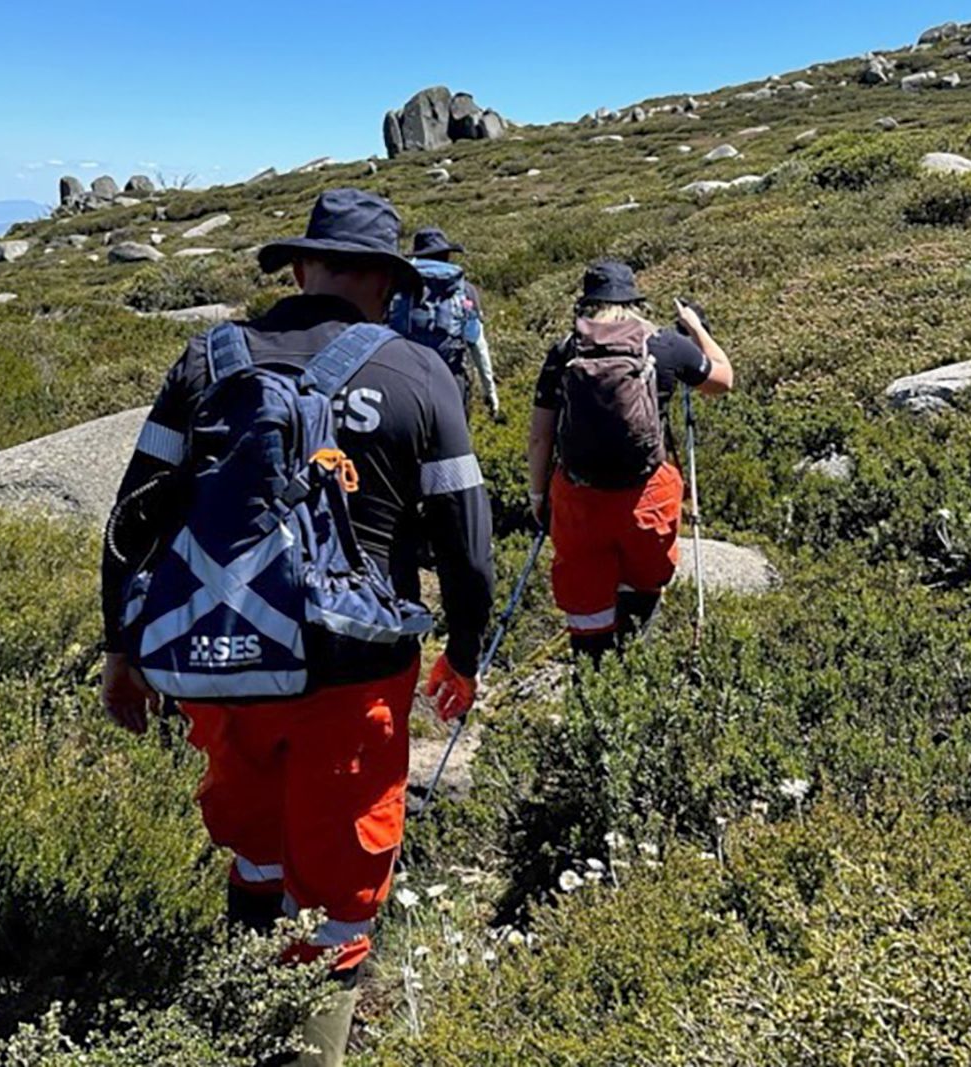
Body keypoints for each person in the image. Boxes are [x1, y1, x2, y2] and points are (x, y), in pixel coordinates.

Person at [100, 188, 494, 1067]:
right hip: (355, 677)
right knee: (342, 887)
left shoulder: (208, 359)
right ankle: (304, 1050)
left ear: (302, 267)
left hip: (224, 660)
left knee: (257, 849)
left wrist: (121, 652)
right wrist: (465, 653)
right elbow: (468, 544)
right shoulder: (419, 371)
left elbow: (132, 518)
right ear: (387, 283)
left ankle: (240, 1014)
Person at [526, 260, 733, 664]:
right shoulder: (665, 346)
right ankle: (634, 676)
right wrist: (696, 328)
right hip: (647, 497)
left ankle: (591, 683)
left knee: (586, 605)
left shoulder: (565, 350)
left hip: (578, 500)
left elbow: (539, 437)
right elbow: (723, 381)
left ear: (587, 304)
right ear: (634, 301)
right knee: (642, 590)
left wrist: (538, 495)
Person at [390, 226, 502, 422]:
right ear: (447, 256)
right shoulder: (464, 290)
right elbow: (477, 344)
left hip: (405, 382)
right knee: (453, 448)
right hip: (451, 382)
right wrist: (489, 390)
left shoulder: (398, 287)